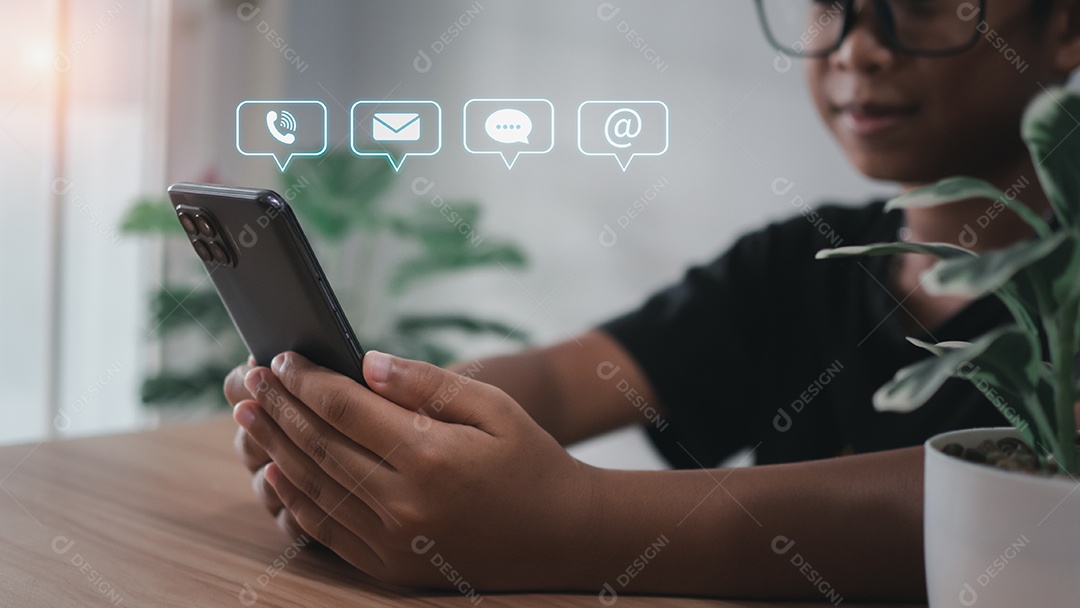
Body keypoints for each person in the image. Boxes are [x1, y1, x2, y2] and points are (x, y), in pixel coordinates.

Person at [224, 0, 1080, 601]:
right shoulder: (808, 257)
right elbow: (569, 381)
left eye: (922, 2)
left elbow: (959, 506)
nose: (858, 45)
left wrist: (569, 522)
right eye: (830, 3)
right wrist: (380, 429)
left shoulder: (1063, 306)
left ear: (1066, 25)